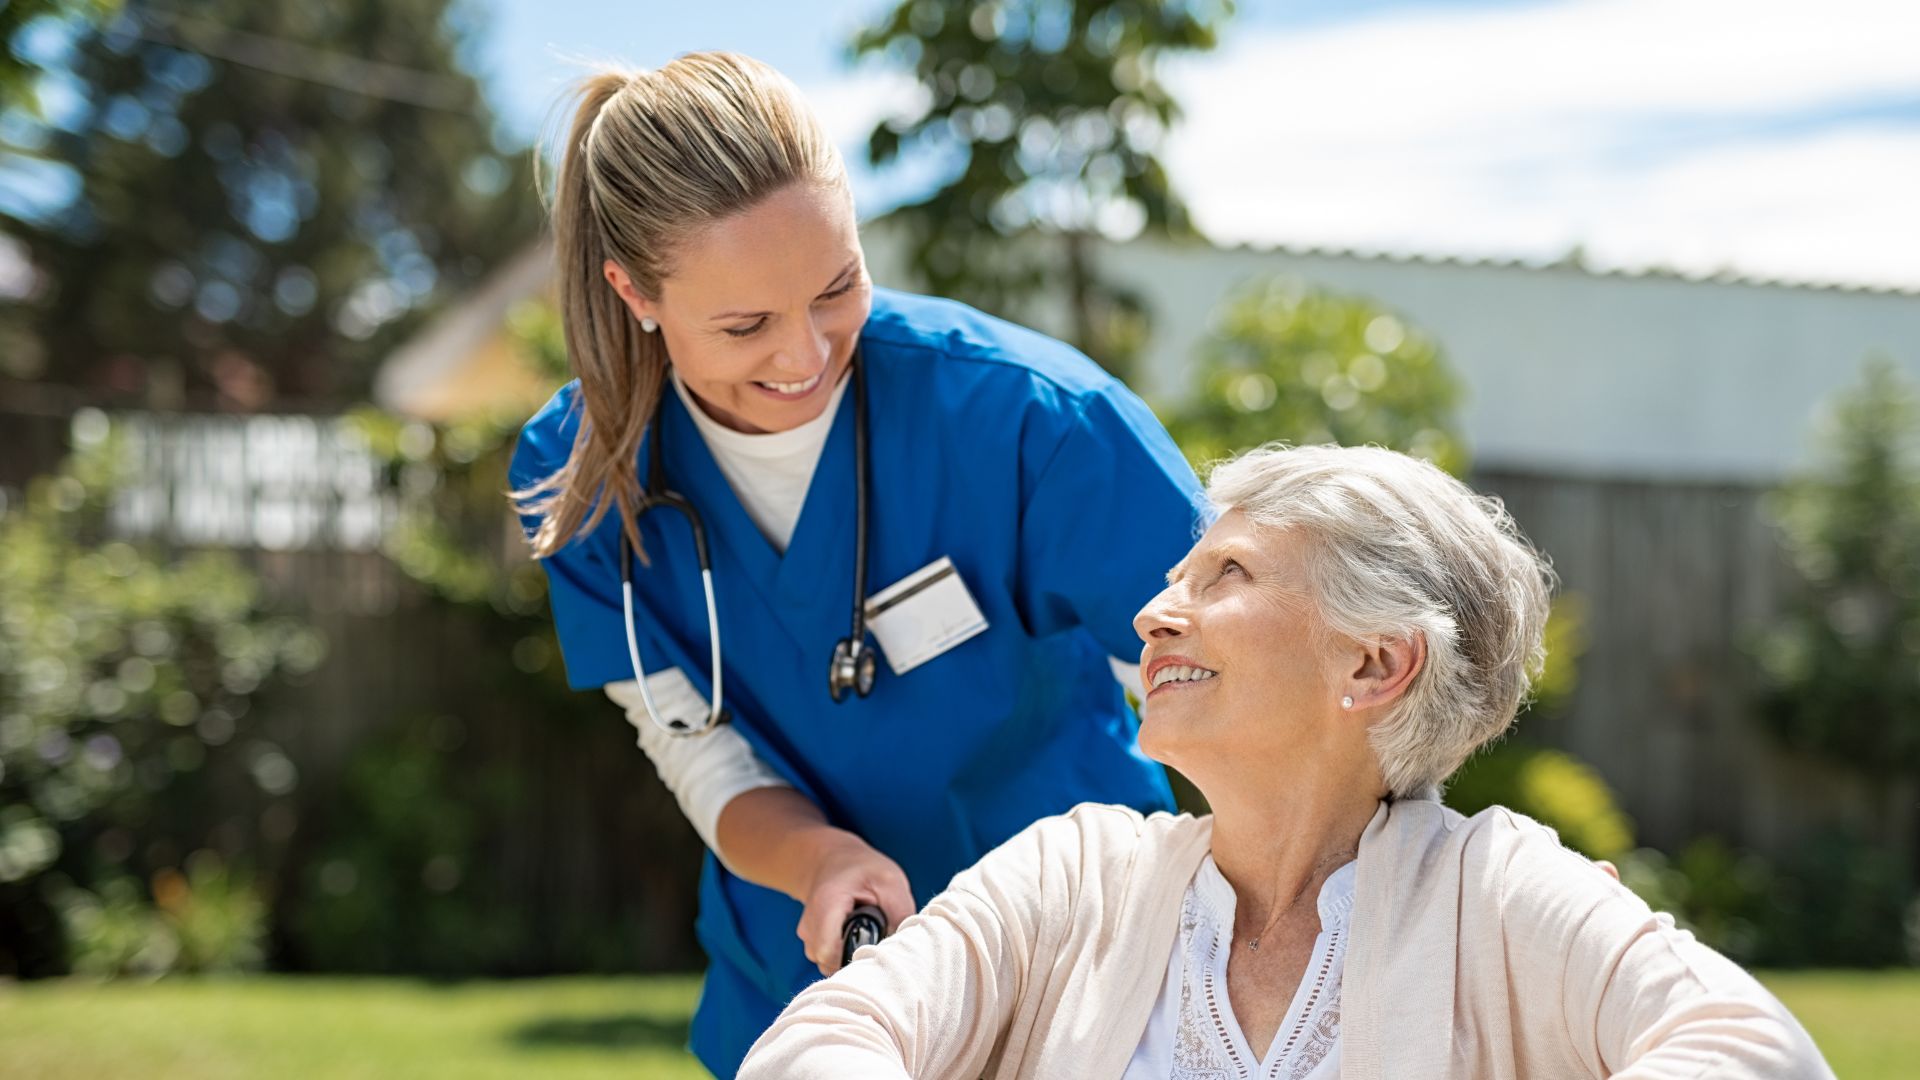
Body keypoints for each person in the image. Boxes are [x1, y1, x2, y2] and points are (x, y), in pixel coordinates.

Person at [506, 51, 1204, 1077]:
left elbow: (1236, 686)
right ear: (632, 291)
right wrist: (821, 860)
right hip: (810, 994)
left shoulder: (1033, 421)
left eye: (838, 287)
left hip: (1083, 981)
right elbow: (701, 753)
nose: (804, 355)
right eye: (744, 325)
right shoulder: (580, 477)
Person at [738, 443, 1835, 1080]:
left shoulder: (1493, 889)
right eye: (1176, 576)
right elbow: (826, 1038)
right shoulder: (1073, 873)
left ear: (1372, 664)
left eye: (1224, 575)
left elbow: (1760, 1056)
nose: (1156, 613)